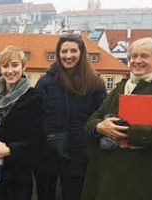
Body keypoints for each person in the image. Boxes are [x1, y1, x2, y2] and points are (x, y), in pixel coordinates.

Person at [81, 38, 152, 200]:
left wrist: (126, 131)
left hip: (140, 179)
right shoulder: (121, 88)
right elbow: (93, 119)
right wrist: (99, 127)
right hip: (106, 174)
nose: (137, 61)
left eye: (144, 56)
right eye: (133, 56)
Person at [34, 34, 106, 200]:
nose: (68, 56)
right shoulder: (46, 82)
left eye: (73, 51)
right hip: (48, 154)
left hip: (79, 155)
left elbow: (100, 116)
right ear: (58, 54)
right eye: (64, 51)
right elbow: (37, 118)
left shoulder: (95, 83)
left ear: (81, 53)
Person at [0, 46, 43, 199]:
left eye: (15, 65)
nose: (10, 71)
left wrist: (10, 150)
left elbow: (38, 142)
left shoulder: (34, 99)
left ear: (24, 67)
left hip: (17, 176)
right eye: (5, 66)